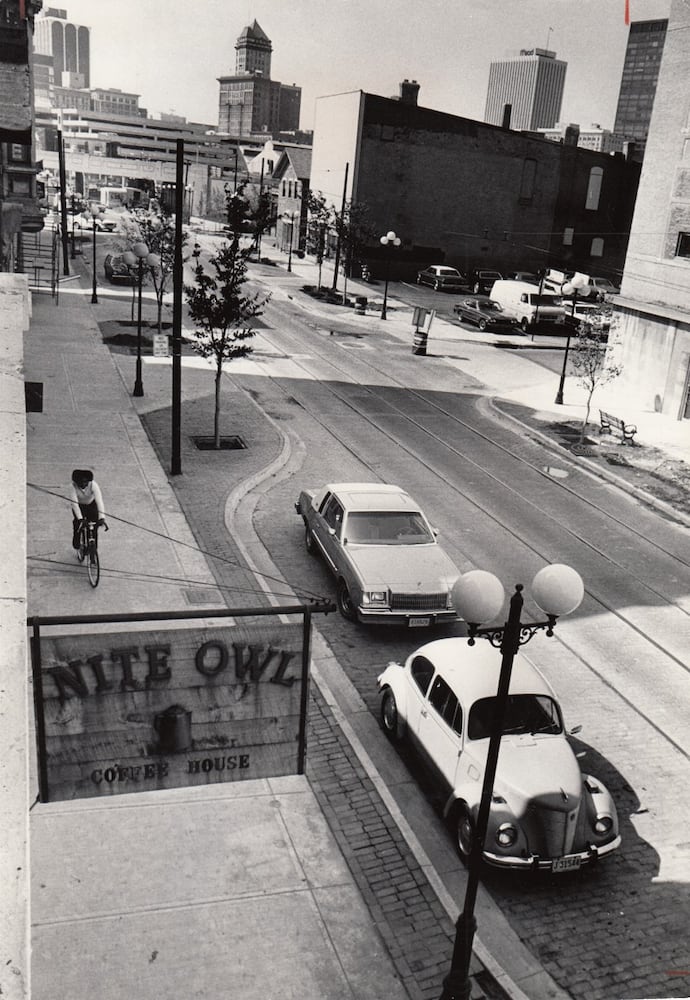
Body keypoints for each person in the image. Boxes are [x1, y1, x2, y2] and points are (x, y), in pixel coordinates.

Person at [70, 469, 107, 549]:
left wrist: (102, 517)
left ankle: (93, 549)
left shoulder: (94, 485)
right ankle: (76, 542)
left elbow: (99, 501)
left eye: (85, 482)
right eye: (81, 482)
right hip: (80, 506)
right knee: (78, 525)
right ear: (76, 482)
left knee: (94, 526)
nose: (84, 484)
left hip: (91, 505)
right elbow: (74, 504)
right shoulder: (73, 487)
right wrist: (80, 519)